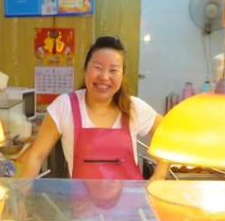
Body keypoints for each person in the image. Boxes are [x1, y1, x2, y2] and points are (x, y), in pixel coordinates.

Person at [18, 35, 169, 181]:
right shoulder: (64, 106)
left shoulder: (133, 107)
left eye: (113, 70)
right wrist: (19, 196)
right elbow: (36, 157)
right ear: (86, 69)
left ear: (122, 75)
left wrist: (159, 176)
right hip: (81, 199)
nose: (104, 76)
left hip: (129, 199)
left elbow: (168, 132)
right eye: (97, 67)